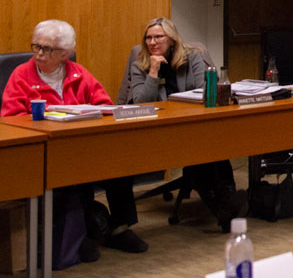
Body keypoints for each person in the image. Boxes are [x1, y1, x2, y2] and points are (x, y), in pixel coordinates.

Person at [1, 20, 147, 265]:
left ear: (64, 53)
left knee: (119, 165)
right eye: (36, 46)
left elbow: (105, 105)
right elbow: (9, 119)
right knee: (66, 186)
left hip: (81, 147)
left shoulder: (79, 73)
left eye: (46, 49)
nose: (38, 53)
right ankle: (78, 235)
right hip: (45, 153)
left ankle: (119, 229)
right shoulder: (21, 75)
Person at [125, 17, 248, 232]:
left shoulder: (193, 58)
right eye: (148, 38)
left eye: (158, 37)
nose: (152, 42)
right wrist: (153, 73)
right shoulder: (141, 64)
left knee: (206, 146)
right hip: (156, 129)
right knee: (200, 149)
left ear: (172, 39)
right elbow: (141, 102)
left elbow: (204, 91)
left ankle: (225, 204)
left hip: (192, 124)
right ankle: (225, 207)